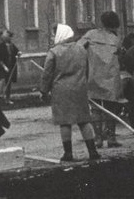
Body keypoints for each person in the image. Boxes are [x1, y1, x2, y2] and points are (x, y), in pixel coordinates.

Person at [40, 24, 99, 161]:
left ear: (61, 35)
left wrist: (43, 91)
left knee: (65, 122)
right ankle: (93, 151)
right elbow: (88, 69)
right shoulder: (81, 49)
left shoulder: (54, 52)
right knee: (84, 120)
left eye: (54, 34)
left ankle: (68, 153)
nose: (52, 37)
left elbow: (47, 74)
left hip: (61, 90)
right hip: (80, 88)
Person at [81, 11, 124, 148]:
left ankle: (98, 138)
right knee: (111, 107)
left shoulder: (91, 35)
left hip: (94, 76)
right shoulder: (115, 39)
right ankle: (111, 138)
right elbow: (121, 56)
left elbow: (78, 48)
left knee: (95, 109)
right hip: (111, 78)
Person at [0, 30, 20, 103]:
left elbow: (17, 51)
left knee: (9, 82)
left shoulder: (11, 45)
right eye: (9, 37)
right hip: (0, 67)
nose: (10, 38)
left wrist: (19, 53)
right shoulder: (0, 46)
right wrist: (4, 67)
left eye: (10, 37)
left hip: (10, 66)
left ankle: (7, 99)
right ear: (5, 38)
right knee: (2, 80)